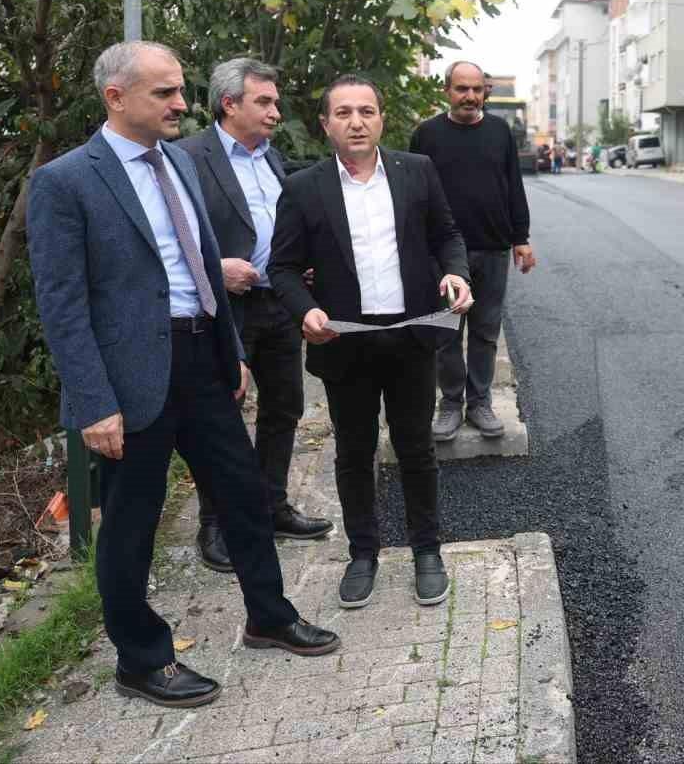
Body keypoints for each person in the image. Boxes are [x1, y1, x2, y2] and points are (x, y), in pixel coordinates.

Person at [27, 42, 338, 710]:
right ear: (116, 97)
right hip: (130, 378)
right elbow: (62, 304)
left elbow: (201, 267)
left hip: (202, 359)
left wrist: (230, 351)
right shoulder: (66, 181)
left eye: (179, 90)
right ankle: (141, 661)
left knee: (244, 495)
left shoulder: (179, 162)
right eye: (164, 93)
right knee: (132, 523)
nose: (180, 104)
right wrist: (93, 402)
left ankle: (269, 616)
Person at [268, 74, 473, 610]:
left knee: (416, 449)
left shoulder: (417, 171)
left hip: (411, 337)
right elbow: (282, 267)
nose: (356, 122)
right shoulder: (304, 187)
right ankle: (363, 554)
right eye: (343, 113)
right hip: (345, 342)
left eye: (366, 111)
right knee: (354, 454)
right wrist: (305, 309)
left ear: (382, 119)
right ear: (325, 124)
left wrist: (456, 273)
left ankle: (427, 551)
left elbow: (447, 236)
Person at [175, 58, 333, 574]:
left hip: (278, 304)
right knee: (221, 417)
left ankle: (271, 507)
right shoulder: (187, 157)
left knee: (284, 407)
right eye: (264, 101)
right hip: (225, 309)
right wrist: (214, 269)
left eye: (275, 102)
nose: (275, 112)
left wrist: (299, 264)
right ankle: (217, 522)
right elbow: (167, 236)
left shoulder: (272, 158)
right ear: (229, 103)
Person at [409, 63, 536, 443]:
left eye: (477, 90)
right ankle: (450, 404)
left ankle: (480, 403)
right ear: (447, 90)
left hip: (493, 248)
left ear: (485, 92)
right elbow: (413, 195)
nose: (470, 96)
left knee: (485, 331)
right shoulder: (427, 135)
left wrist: (521, 237)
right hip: (445, 256)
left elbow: (513, 184)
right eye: (462, 89)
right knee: (446, 332)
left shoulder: (499, 132)